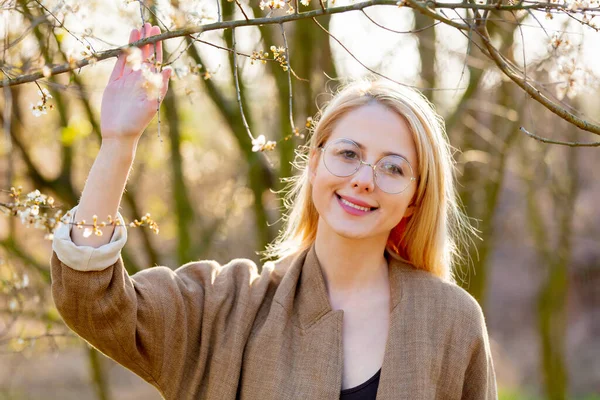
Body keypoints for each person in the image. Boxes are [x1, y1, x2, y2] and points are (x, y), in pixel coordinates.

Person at [50, 24, 497, 399]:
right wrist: (119, 142)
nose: (364, 178)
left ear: (416, 197)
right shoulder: (225, 307)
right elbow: (93, 301)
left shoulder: (450, 320)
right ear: (314, 162)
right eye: (348, 153)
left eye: (393, 167)